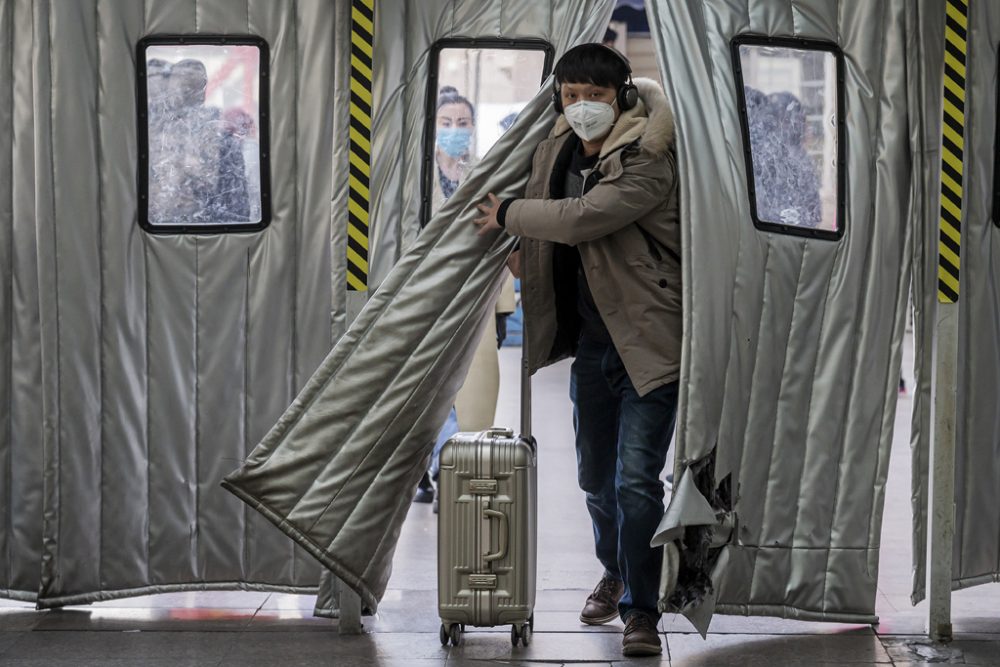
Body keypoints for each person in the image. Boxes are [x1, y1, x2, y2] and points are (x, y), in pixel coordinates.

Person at [474, 43, 680, 657]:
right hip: (594, 344)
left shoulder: (648, 156)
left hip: (649, 343)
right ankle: (616, 572)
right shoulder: (554, 152)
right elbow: (559, 238)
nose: (582, 107)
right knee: (596, 478)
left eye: (594, 95)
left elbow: (586, 217)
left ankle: (643, 612)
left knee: (636, 482)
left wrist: (508, 213)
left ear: (620, 97)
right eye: (570, 96)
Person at [413, 87, 516, 507]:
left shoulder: (484, 174)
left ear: (473, 128)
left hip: (475, 300)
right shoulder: (416, 177)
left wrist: (505, 305)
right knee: (429, 390)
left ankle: (449, 462)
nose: (455, 131)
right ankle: (438, 463)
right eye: (446, 123)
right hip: (426, 299)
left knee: (470, 392)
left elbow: (501, 241)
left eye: (462, 123)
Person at [146, 58, 251, 225]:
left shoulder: (217, 135)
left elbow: (235, 201)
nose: (181, 92)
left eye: (191, 86)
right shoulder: (143, 133)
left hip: (204, 223)